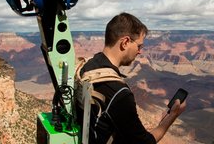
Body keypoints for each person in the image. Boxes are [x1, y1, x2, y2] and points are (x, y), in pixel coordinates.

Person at [77, 12, 186, 144]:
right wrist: (172, 116)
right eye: (139, 46)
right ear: (126, 42)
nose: (140, 51)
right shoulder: (119, 93)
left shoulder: (88, 65)